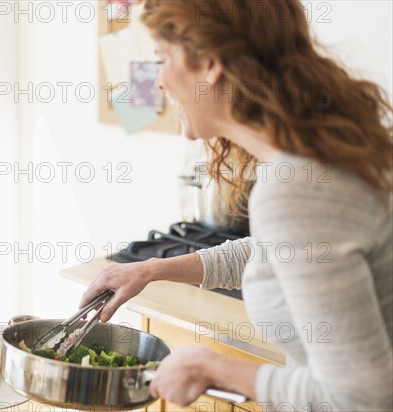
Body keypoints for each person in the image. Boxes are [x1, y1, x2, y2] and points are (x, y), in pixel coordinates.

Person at [81, 1, 392, 411]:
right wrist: (152, 270)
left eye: (162, 59)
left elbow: (363, 400)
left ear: (210, 62)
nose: (157, 82)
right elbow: (273, 252)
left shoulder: (297, 188)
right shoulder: (321, 157)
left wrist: (211, 367)